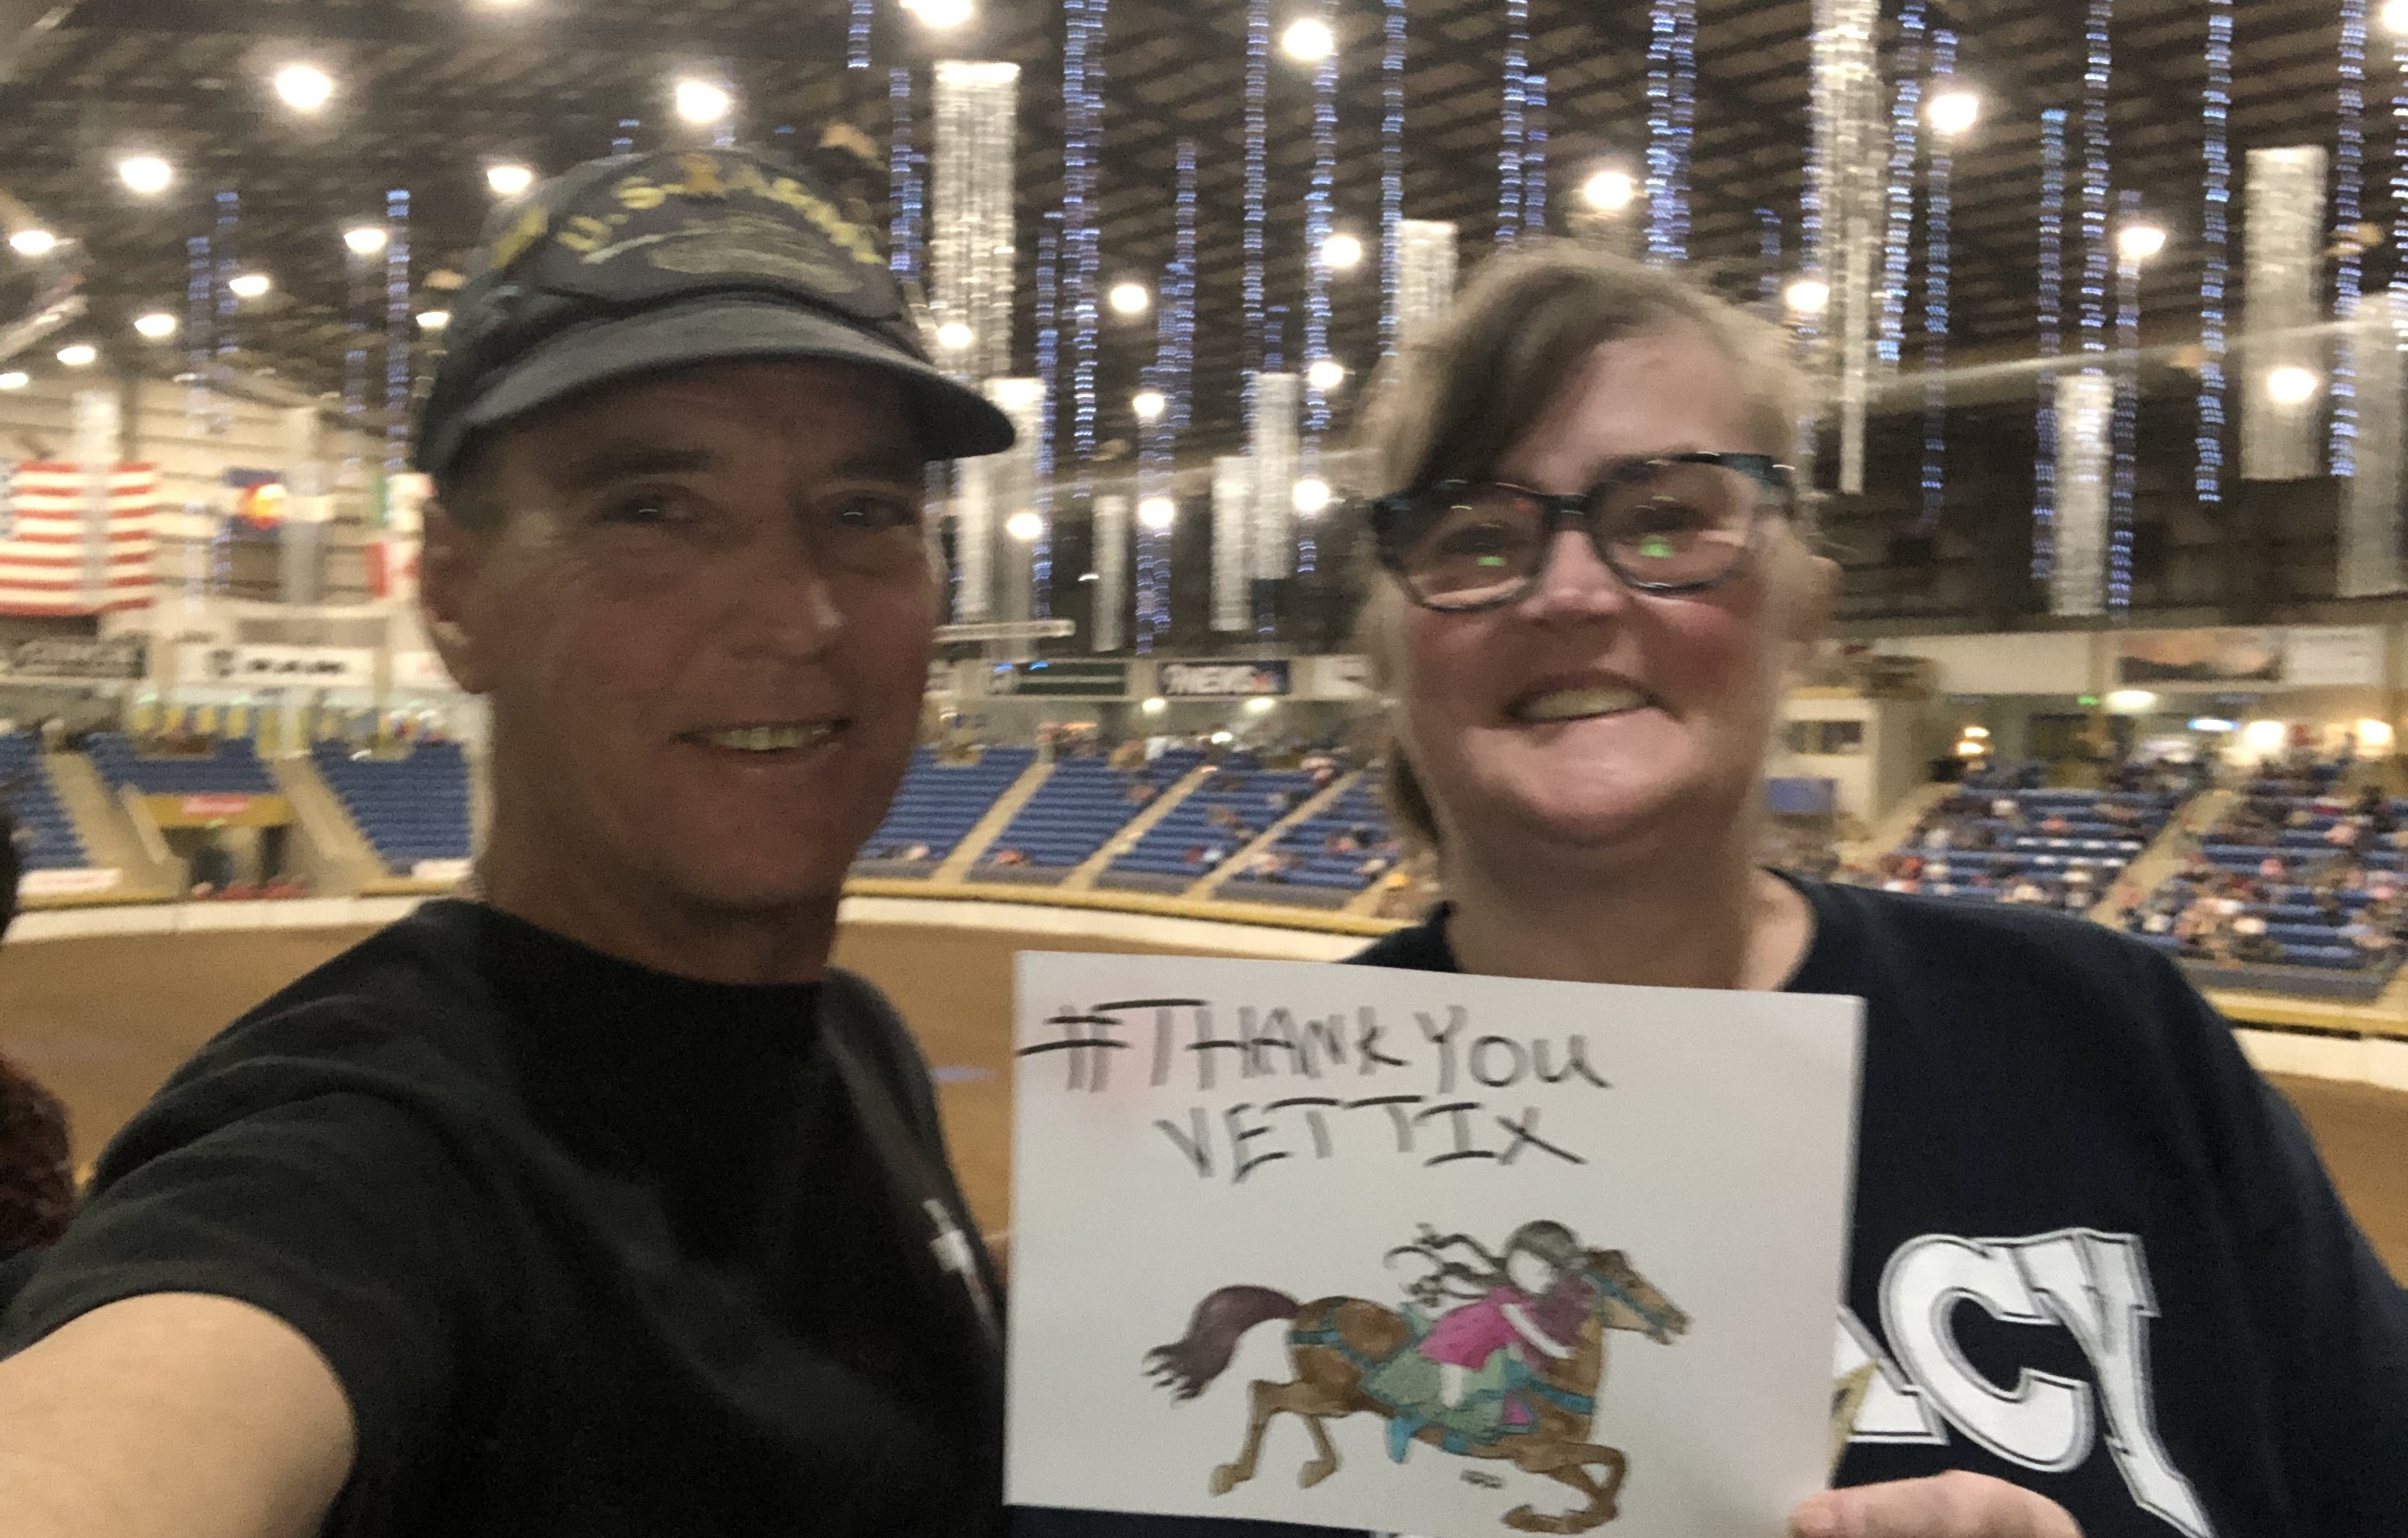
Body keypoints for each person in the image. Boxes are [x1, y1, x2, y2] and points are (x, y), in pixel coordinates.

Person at [0, 148, 1323, 1538]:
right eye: (652, 511)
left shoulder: (852, 1044)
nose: (797, 617)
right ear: (450, 590)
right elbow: (143, 1415)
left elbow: (797, 1345)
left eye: (863, 513)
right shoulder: (353, 1167)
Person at [1344, 243, 2408, 1538]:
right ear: (1388, 650)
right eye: (1474, 538)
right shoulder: (1224, 1135)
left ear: (1806, 615)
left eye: (1667, 519)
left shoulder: (2105, 1034)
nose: (1569, 591)